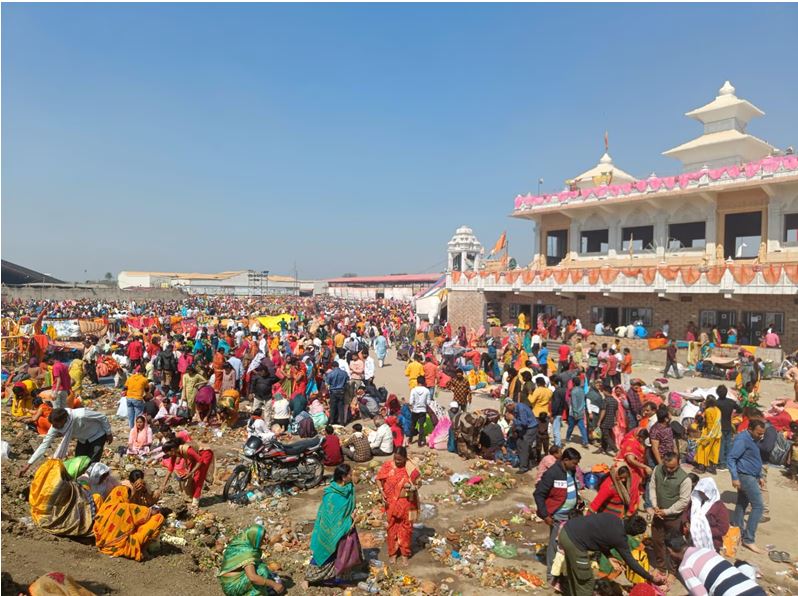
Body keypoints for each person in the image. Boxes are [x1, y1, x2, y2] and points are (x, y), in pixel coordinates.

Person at [559, 514, 664, 596]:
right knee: (586, 581)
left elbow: (600, 537)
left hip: (566, 530)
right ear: (633, 534)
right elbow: (631, 562)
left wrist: (609, 556)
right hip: (574, 543)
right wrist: (650, 578)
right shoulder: (620, 538)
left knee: (574, 575)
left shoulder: (613, 518)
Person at [306, 463, 362, 586]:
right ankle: (311, 578)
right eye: (350, 474)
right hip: (330, 529)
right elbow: (329, 516)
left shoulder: (349, 488)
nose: (352, 476)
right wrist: (347, 522)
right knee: (326, 549)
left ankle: (339, 578)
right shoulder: (331, 495)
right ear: (343, 477)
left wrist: (353, 515)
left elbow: (350, 507)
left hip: (346, 526)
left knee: (343, 553)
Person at [533, 447, 582, 583]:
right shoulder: (552, 473)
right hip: (557, 515)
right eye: (574, 463)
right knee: (556, 544)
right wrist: (545, 515)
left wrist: (577, 498)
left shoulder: (571, 470)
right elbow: (538, 494)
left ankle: (562, 571)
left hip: (571, 514)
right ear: (565, 460)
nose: (576, 466)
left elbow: (571, 486)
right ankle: (551, 576)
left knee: (568, 543)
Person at [21, 407, 113, 475]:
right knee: (78, 463)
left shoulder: (80, 415)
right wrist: (29, 464)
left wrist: (108, 433)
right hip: (83, 439)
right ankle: (81, 481)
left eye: (56, 425)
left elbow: (102, 417)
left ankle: (90, 483)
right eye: (53, 425)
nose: (55, 427)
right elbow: (44, 444)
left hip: (97, 435)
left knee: (92, 463)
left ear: (64, 420)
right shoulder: (55, 426)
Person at [667, 535, 765, 596]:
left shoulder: (685, 567)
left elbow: (701, 594)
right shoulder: (706, 550)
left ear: (670, 550)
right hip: (757, 591)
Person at [93, 485, 164, 562]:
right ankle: (144, 549)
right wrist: (155, 509)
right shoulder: (126, 508)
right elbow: (148, 512)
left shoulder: (105, 507)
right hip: (122, 545)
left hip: (102, 544)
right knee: (158, 518)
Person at [647, 452, 691, 572]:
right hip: (658, 514)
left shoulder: (685, 480)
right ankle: (661, 567)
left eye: (672, 467)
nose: (668, 470)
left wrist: (666, 512)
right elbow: (652, 487)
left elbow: (683, 501)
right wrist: (655, 505)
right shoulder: (657, 469)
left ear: (679, 463)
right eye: (666, 467)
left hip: (674, 518)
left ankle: (672, 571)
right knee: (657, 541)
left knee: (674, 545)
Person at [727, 418, 766, 554]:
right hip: (745, 476)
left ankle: (737, 527)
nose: (761, 436)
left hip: (752, 475)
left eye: (762, 433)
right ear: (750, 429)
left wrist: (760, 475)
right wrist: (734, 477)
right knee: (758, 506)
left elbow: (754, 458)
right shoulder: (742, 440)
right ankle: (749, 539)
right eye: (758, 433)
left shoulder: (753, 439)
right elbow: (731, 458)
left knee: (742, 502)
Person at [377, 447, 420, 566]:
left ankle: (405, 553)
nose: (397, 461)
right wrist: (381, 491)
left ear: (405, 458)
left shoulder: (410, 467)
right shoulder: (387, 466)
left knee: (407, 528)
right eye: (395, 459)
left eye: (400, 459)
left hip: (408, 502)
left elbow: (418, 482)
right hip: (391, 503)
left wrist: (413, 487)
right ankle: (393, 553)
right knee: (391, 527)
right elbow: (378, 479)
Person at [218, 525, 285, 595]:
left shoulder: (242, 540)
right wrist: (274, 584)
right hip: (232, 587)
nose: (264, 541)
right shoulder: (248, 553)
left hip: (226, 581)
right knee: (262, 571)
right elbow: (252, 577)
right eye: (262, 539)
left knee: (260, 566)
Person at [158, 438, 215, 509]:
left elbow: (200, 460)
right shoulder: (175, 453)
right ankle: (192, 497)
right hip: (196, 456)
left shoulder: (187, 450)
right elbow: (170, 469)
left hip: (205, 453)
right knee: (190, 478)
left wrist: (191, 473)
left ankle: (195, 502)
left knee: (198, 477)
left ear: (172, 450)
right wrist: (163, 485)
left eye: (167, 453)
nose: (168, 455)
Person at [682, 477, 729, 552]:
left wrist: (702, 531)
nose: (701, 494)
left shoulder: (720, 508)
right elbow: (685, 512)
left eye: (704, 493)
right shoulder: (695, 502)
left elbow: (723, 529)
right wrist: (686, 522)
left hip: (711, 542)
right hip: (692, 539)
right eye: (700, 492)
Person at [505, 401, 538, 474]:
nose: (508, 410)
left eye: (508, 408)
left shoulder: (521, 408)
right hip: (525, 428)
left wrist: (513, 419)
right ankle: (525, 463)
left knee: (524, 446)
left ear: (511, 405)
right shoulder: (516, 408)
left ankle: (524, 467)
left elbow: (524, 423)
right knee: (519, 443)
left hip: (530, 428)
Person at [715, 385, 740, 470]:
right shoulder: (731, 402)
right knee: (728, 444)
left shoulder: (717, 403)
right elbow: (740, 409)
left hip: (720, 426)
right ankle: (729, 463)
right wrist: (733, 414)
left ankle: (722, 463)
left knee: (721, 445)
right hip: (729, 425)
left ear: (717, 393)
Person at [694, 396, 722, 473]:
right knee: (713, 451)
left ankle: (701, 468)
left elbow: (709, 424)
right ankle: (712, 468)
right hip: (717, 433)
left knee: (702, 449)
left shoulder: (708, 410)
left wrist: (708, 437)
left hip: (710, 433)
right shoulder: (718, 409)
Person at [566, 376, 589, 447]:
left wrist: (575, 413)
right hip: (581, 411)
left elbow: (574, 403)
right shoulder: (582, 391)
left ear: (573, 383)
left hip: (573, 413)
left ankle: (567, 438)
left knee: (571, 427)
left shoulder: (573, 391)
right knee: (582, 427)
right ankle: (585, 441)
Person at [324, 361, 349, 426]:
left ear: (332, 367)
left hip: (333, 392)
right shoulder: (344, 373)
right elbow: (347, 381)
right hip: (341, 391)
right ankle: (342, 423)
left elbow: (327, 383)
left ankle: (331, 422)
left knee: (333, 407)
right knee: (341, 407)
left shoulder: (330, 374)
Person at [408, 376, 430, 447]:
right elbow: (428, 402)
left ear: (417, 382)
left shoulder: (413, 390)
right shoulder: (427, 391)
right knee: (421, 426)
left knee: (413, 425)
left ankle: (410, 439)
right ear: (424, 382)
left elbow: (411, 402)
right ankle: (419, 442)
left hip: (415, 410)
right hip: (423, 410)